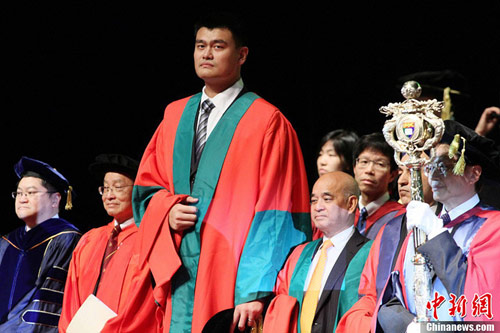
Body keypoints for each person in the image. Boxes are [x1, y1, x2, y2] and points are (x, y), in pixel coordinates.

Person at [102, 12, 311, 333]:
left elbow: (277, 212)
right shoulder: (174, 115)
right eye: (200, 46)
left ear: (241, 55)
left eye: (218, 46)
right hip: (178, 266)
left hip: (231, 273)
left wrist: (255, 291)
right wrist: (167, 213)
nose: (207, 54)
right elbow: (146, 188)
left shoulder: (266, 121)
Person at [377, 120, 500, 332]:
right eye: (430, 166)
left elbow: (481, 301)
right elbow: (390, 298)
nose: (434, 174)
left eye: (444, 166)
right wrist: (406, 326)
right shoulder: (420, 228)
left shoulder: (493, 227)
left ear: (473, 174)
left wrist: (435, 234)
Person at [336, 152, 437, 333]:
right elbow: (368, 293)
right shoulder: (389, 231)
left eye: (414, 171)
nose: (402, 181)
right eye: (401, 172)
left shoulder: (452, 226)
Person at [262, 171, 372, 333]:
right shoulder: (300, 254)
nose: (318, 207)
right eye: (313, 200)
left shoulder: (370, 252)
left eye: (327, 199)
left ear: (351, 204)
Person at [58, 154, 153, 331]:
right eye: (105, 189)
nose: (109, 196)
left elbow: (146, 304)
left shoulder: (149, 238)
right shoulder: (89, 240)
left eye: (117, 188)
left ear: (138, 190)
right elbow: (71, 296)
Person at [0, 156, 81, 332]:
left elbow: (50, 299)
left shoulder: (67, 239)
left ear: (55, 200)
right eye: (19, 193)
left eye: (30, 193)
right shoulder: (6, 242)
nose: (22, 199)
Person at [352, 132, 404, 239]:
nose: (369, 170)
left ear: (393, 175)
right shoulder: (344, 214)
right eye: (364, 161)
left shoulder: (400, 216)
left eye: (380, 164)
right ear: (354, 168)